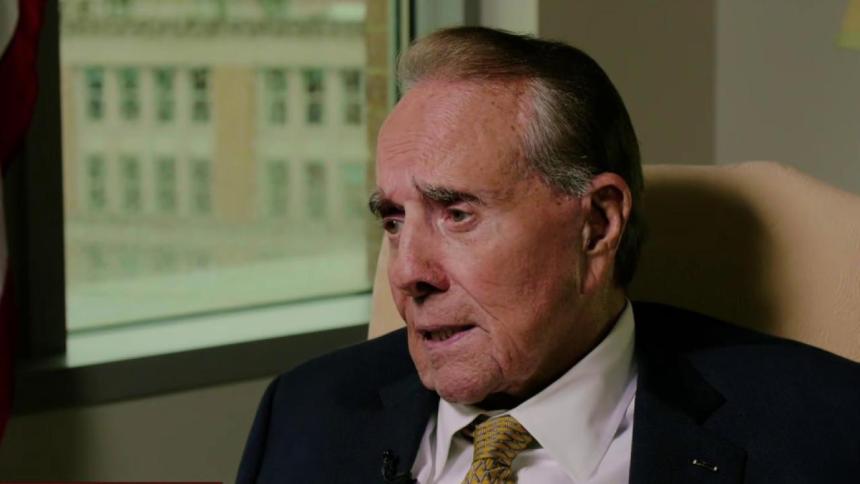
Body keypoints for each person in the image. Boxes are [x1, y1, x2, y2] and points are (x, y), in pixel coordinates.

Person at [237, 27, 860, 484]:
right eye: (394, 220)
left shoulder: (827, 429)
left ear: (597, 225)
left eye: (457, 213)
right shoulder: (304, 413)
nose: (405, 273)